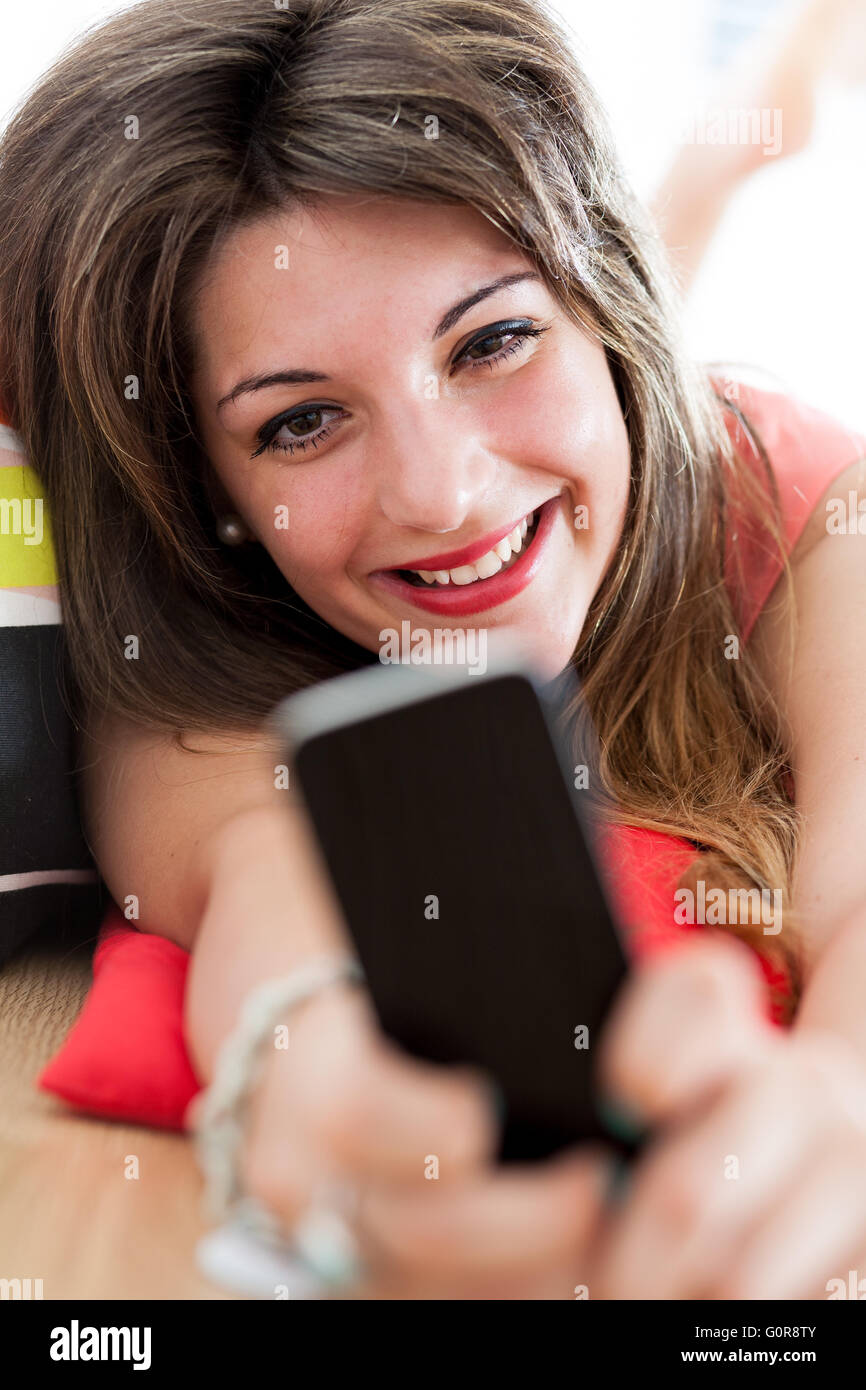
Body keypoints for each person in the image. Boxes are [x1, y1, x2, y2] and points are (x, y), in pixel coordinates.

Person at [2, 0, 866, 1299]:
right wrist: (332, 1107)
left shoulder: (789, 500)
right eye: (300, 423)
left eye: (496, 339)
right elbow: (272, 908)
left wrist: (836, 1101)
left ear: (603, 311)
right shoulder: (194, 638)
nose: (442, 493)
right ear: (210, 493)